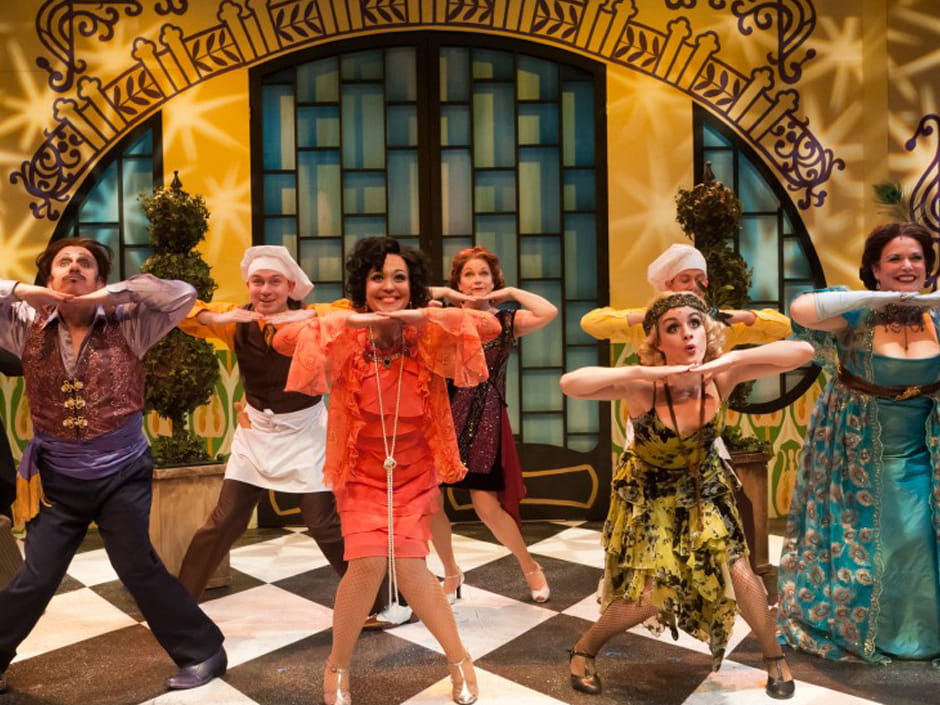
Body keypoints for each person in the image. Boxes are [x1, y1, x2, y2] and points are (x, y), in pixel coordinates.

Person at [274, 237, 500, 705]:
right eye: (378, 277)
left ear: (413, 285)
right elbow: (282, 339)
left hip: (414, 473)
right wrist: (352, 320)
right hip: (361, 473)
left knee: (413, 568)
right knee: (368, 563)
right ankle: (337, 666)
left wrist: (423, 316)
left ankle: (459, 660)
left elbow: (489, 326)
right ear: (363, 284)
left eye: (400, 277)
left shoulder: (428, 334)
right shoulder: (346, 333)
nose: (389, 286)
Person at [560, 291, 813, 699]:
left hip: (705, 489)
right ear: (658, 341)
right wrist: (643, 372)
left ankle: (774, 657)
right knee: (650, 597)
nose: (687, 334)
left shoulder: (719, 377)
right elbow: (570, 384)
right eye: (673, 328)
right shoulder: (644, 387)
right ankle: (583, 649)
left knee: (742, 574)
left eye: (695, 323)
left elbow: (803, 352)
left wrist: (728, 361)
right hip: (651, 496)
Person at [0, 237, 226, 695]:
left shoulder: (129, 322)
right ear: (50, 277)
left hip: (122, 472)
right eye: (63, 263)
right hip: (56, 479)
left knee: (136, 565)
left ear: (100, 279)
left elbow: (182, 294)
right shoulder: (24, 324)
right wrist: (25, 290)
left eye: (85, 264)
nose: (74, 268)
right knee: (37, 576)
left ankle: (203, 651)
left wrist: (113, 294)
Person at [778, 221, 940, 663]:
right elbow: (800, 310)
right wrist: (872, 299)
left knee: (919, 535)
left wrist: (929, 301)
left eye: (916, 258)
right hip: (858, 453)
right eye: (894, 258)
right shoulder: (855, 315)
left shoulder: (935, 317)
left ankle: (923, 633)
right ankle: (874, 630)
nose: (907, 266)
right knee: (878, 539)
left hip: (922, 451)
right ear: (875, 268)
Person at [427, 246, 556, 603]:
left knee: (486, 507)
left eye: (483, 273)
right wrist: (447, 294)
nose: (476, 280)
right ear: (458, 282)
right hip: (441, 417)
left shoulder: (505, 321)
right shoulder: (444, 316)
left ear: (493, 279)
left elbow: (548, 311)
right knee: (431, 503)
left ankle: (530, 565)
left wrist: (511, 291)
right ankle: (451, 571)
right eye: (468, 274)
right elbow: (413, 298)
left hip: (484, 419)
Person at [580, 243, 791, 350]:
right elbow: (591, 324)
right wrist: (649, 316)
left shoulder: (719, 324)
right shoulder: (647, 324)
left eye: (699, 279)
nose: (693, 286)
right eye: (685, 279)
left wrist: (743, 317)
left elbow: (783, 329)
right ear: (669, 285)